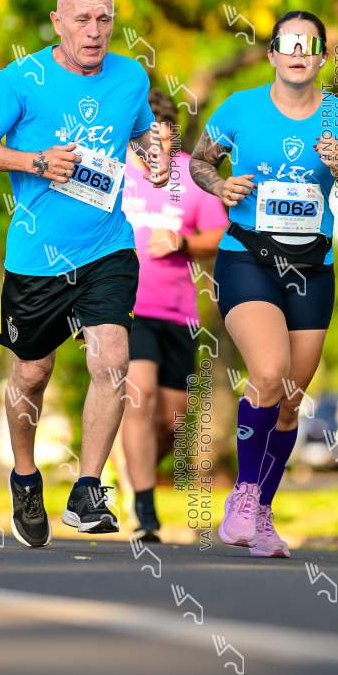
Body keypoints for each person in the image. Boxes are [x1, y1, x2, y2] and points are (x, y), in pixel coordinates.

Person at [0, 0, 169, 548]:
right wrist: (34, 161)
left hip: (108, 246)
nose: (95, 31)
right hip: (36, 256)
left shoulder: (131, 76)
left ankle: (87, 489)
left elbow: (141, 134)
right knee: (32, 373)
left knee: (113, 359)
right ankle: (25, 478)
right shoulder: (19, 79)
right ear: (57, 22)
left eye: (104, 19)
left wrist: (155, 156)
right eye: (82, 20)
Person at [190, 11, 338, 557]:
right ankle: (243, 496)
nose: (297, 52)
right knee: (268, 373)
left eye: (308, 44)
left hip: (312, 267)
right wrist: (219, 185)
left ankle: (263, 514)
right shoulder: (240, 107)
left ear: (321, 57)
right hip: (247, 256)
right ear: (271, 53)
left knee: (291, 400)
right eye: (287, 43)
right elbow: (199, 163)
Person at [120, 88, 227, 540]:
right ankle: (144, 510)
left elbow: (220, 235)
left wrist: (183, 242)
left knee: (172, 420)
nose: (155, 152)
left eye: (163, 142)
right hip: (127, 308)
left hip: (178, 313)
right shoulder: (115, 174)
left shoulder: (191, 177)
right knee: (138, 396)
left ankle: (132, 466)